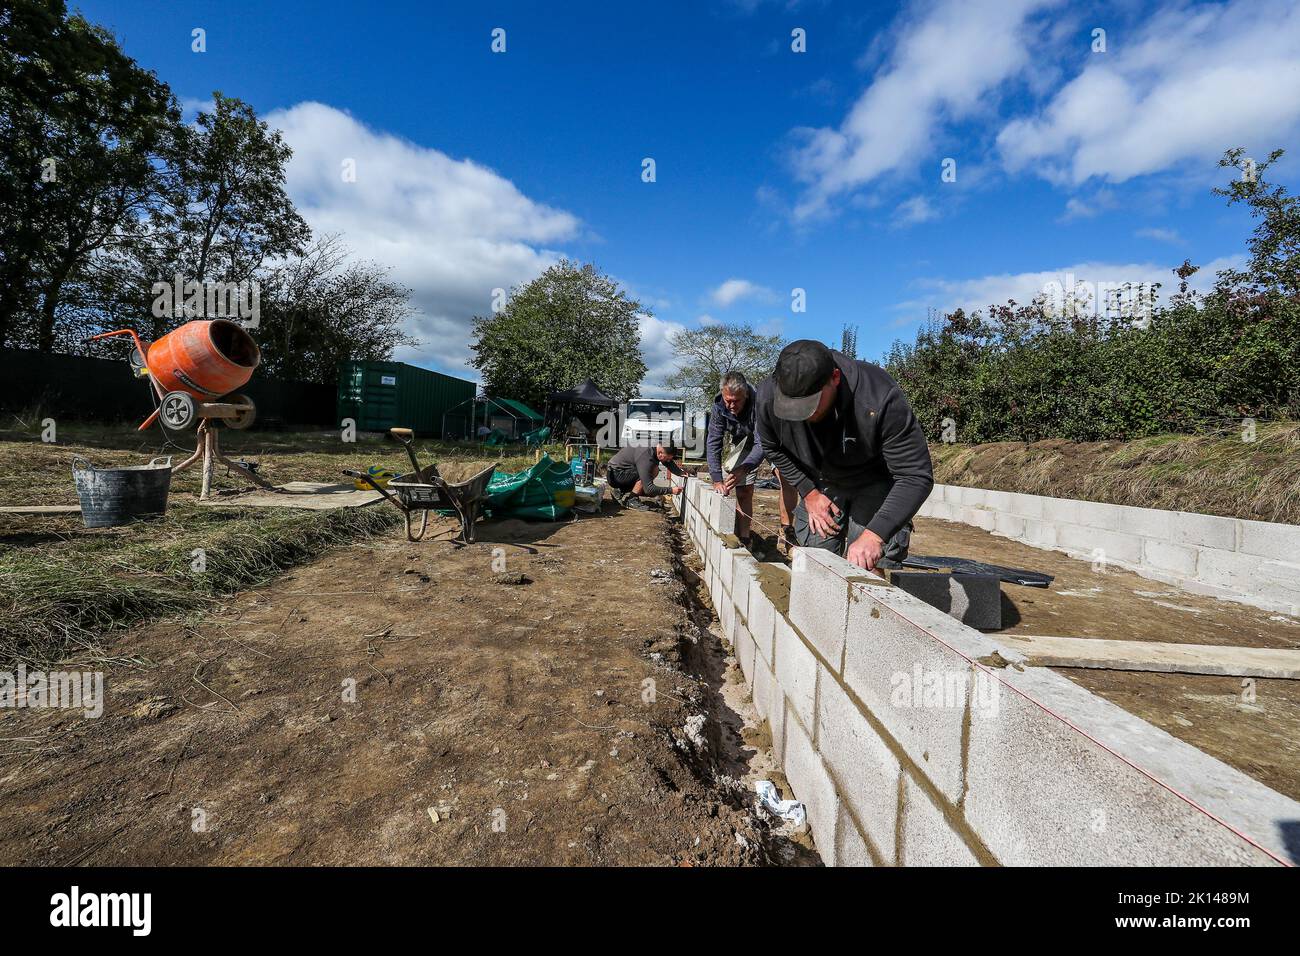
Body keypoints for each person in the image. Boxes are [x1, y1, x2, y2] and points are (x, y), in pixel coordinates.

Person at [755, 339, 933, 571]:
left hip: (874, 480)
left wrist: (875, 535)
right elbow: (772, 448)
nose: (800, 417)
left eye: (809, 406)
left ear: (835, 378)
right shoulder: (768, 397)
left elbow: (915, 475)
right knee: (816, 559)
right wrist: (808, 492)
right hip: (822, 482)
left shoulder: (878, 397)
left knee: (867, 564)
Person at [705, 371, 797, 552]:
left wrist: (745, 467)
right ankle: (745, 536)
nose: (730, 405)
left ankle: (787, 530)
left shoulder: (760, 402)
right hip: (742, 441)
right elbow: (713, 440)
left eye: (736, 401)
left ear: (746, 394)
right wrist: (716, 478)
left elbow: (761, 442)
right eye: (727, 400)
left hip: (774, 438)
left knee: (785, 476)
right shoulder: (719, 406)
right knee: (743, 489)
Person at [605, 443, 686, 511]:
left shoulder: (655, 447)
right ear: (660, 453)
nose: (668, 461)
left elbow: (668, 462)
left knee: (655, 470)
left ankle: (620, 490)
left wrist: (680, 472)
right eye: (667, 458)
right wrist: (671, 490)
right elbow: (649, 489)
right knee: (649, 473)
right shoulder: (646, 456)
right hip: (615, 475)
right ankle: (631, 500)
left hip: (619, 472)